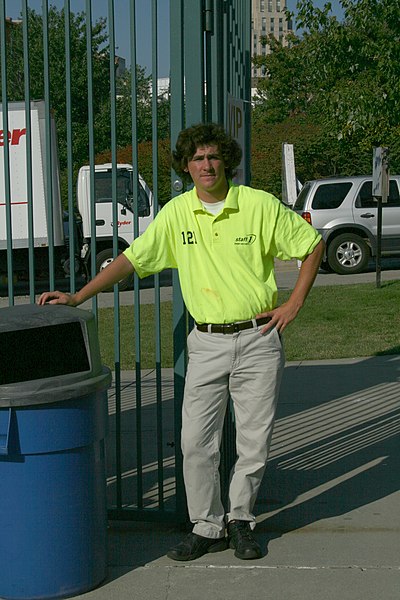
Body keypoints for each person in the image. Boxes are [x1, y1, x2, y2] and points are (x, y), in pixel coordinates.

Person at [38, 122, 324, 562]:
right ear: (186, 167)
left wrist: (293, 305)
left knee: (253, 439)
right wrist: (79, 295)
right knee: (195, 441)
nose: (206, 165)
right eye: (197, 159)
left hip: (259, 337)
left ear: (225, 160)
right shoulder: (175, 213)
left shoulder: (258, 205)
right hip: (206, 342)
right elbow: (133, 259)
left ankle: (242, 521)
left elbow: (311, 245)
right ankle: (207, 525)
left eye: (212, 156)